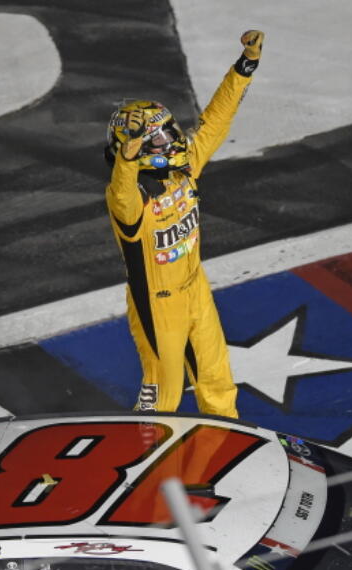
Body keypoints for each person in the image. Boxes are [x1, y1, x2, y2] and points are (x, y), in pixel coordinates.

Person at [104, 30, 264, 419]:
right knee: (163, 402)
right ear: (137, 150)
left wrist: (244, 67)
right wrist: (127, 163)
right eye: (159, 138)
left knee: (218, 383)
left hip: (196, 288)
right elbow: (120, 192)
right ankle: (139, 468)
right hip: (158, 306)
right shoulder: (130, 197)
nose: (173, 140)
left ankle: (229, 452)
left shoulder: (185, 166)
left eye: (169, 130)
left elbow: (215, 121)